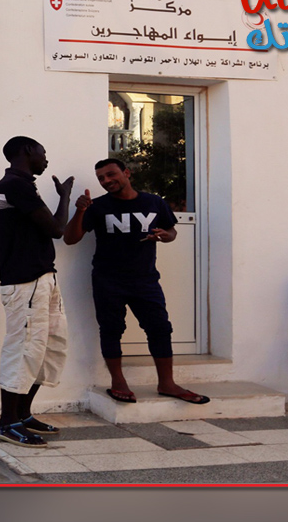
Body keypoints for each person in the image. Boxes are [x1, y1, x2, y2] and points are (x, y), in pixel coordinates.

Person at [64, 158, 210, 406]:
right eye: (101, 178)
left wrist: (165, 236)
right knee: (111, 329)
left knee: (160, 328)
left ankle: (167, 383)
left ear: (127, 173)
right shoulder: (97, 206)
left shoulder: (154, 202)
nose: (106, 181)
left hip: (145, 280)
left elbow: (171, 231)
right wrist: (80, 211)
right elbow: (70, 239)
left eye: (111, 174)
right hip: (108, 280)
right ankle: (118, 381)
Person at [0, 136, 73, 448]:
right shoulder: (14, 185)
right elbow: (56, 229)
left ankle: (22, 414)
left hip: (42, 278)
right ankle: (6, 422)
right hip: (25, 282)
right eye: (43, 152)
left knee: (48, 347)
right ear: (27, 151)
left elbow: (45, 228)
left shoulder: (22, 185)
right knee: (24, 348)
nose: (45, 158)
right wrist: (65, 197)